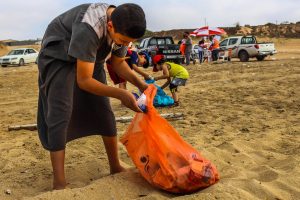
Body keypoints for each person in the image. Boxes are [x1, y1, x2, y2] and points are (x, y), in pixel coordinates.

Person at [37, 3, 148, 190]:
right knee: (60, 111)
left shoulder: (122, 27)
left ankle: (115, 166)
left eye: (129, 42)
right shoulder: (89, 26)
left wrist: (142, 85)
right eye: (122, 41)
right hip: (59, 55)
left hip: (90, 57)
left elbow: (118, 63)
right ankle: (59, 183)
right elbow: (84, 81)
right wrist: (121, 93)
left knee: (103, 110)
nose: (125, 45)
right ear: (110, 26)